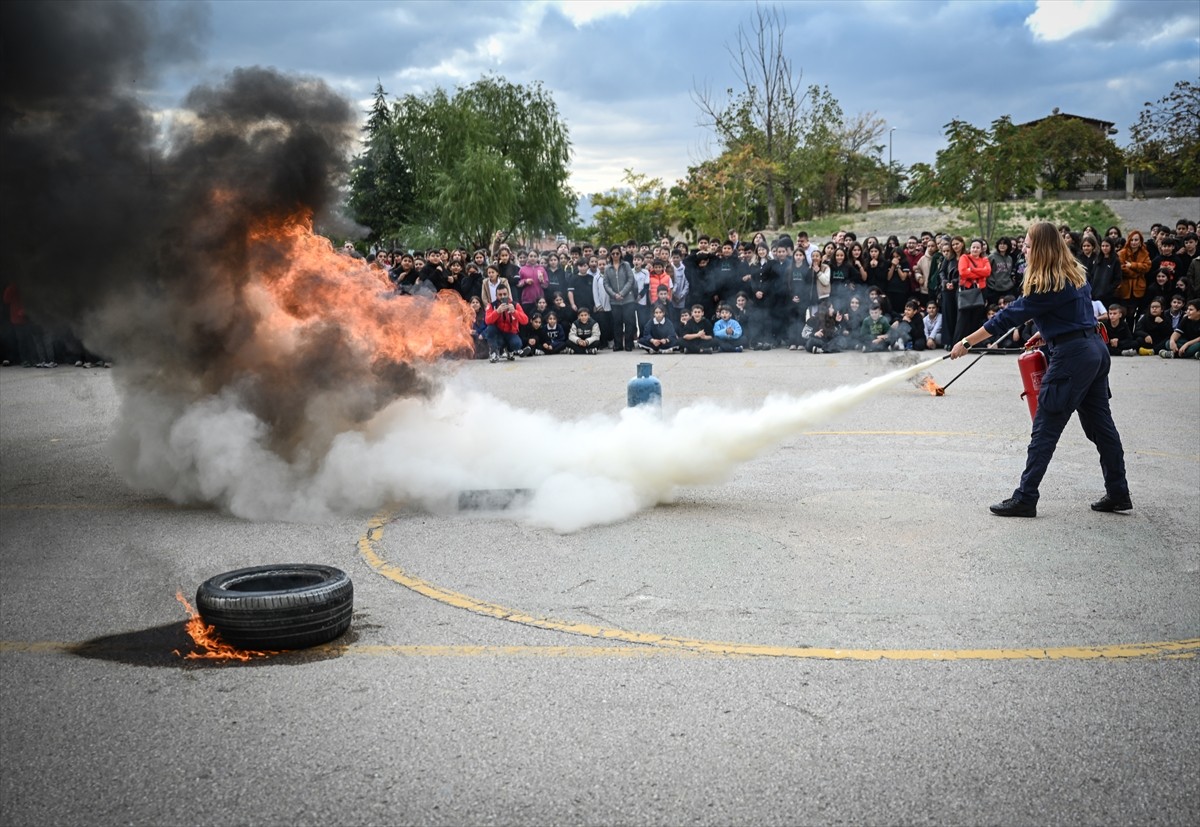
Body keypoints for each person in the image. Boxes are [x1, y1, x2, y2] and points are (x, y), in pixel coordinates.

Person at [951, 222, 1131, 518]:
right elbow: (1075, 314)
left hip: (1073, 358)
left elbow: (1007, 317)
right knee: (1101, 427)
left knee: (1045, 427)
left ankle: (1025, 497)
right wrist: (1047, 333)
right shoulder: (1074, 274)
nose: (1024, 249)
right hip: (1094, 352)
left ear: (1042, 249)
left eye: (1028, 245)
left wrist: (967, 342)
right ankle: (1118, 491)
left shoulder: (1047, 284)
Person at [483, 284, 527, 362]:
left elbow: (525, 321)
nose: (502, 296)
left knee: (517, 344)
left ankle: (509, 351)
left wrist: (514, 312)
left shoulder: (515, 305)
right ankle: (494, 352)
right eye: (500, 295)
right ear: (496, 295)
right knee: (490, 328)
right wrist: (497, 312)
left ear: (508, 294)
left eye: (504, 294)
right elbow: (487, 321)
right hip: (498, 334)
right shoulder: (491, 305)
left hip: (511, 333)